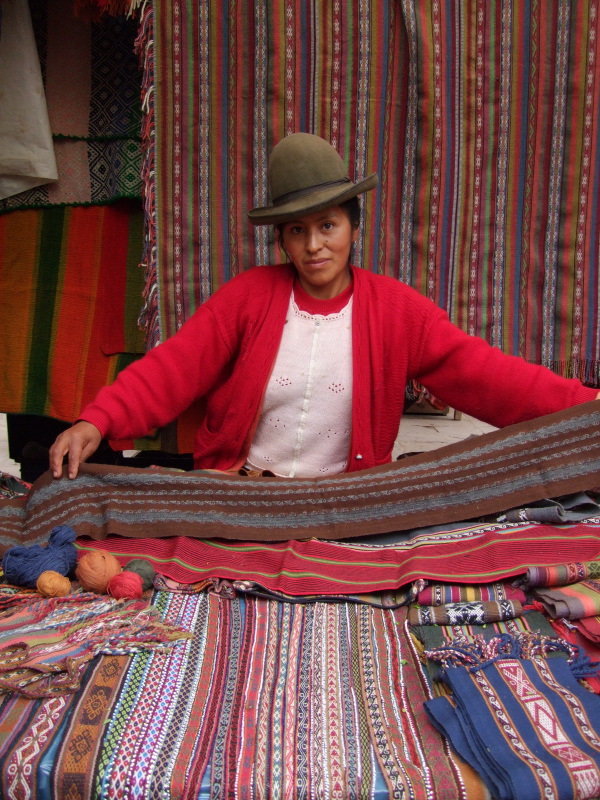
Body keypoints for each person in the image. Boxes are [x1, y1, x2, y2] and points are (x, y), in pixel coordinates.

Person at [49, 133, 599, 480]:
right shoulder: (248, 297)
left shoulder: (397, 313)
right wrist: (96, 421)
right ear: (282, 240)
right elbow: (172, 369)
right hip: (240, 493)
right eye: (297, 230)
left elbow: (488, 376)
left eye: (328, 225)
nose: (314, 245)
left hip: (344, 502)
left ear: (354, 227)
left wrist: (587, 409)